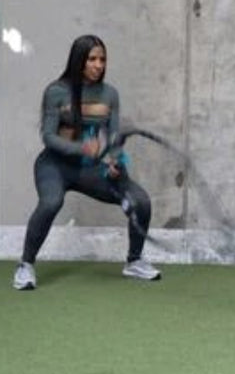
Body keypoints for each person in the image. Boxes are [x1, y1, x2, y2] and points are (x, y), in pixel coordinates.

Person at [13, 34, 160, 290]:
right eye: (92, 59)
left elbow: (113, 138)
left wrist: (115, 161)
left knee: (141, 201)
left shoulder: (110, 94)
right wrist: (81, 147)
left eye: (102, 59)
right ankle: (25, 266)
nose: (98, 65)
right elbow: (48, 137)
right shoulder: (56, 92)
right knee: (51, 202)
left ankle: (134, 261)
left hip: (91, 168)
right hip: (54, 166)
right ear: (79, 60)